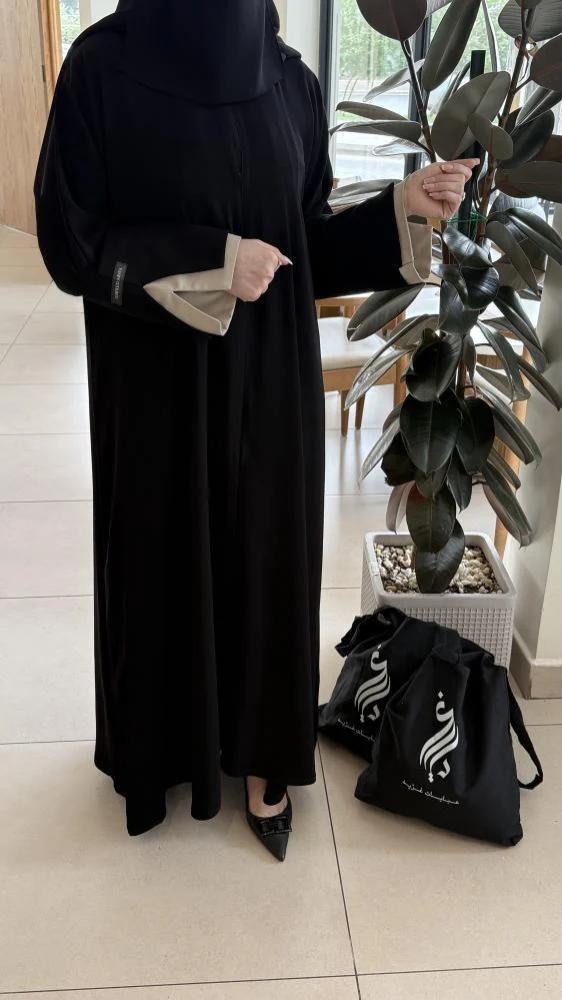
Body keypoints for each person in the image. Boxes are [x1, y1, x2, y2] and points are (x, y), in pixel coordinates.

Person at [35, 0, 476, 860]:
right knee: (160, 554)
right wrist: (210, 259)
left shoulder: (289, 82)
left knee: (265, 555)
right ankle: (161, 753)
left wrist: (400, 206)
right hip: (153, 387)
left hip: (270, 381)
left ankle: (265, 754)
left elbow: (305, 245)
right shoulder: (101, 69)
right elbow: (68, 240)